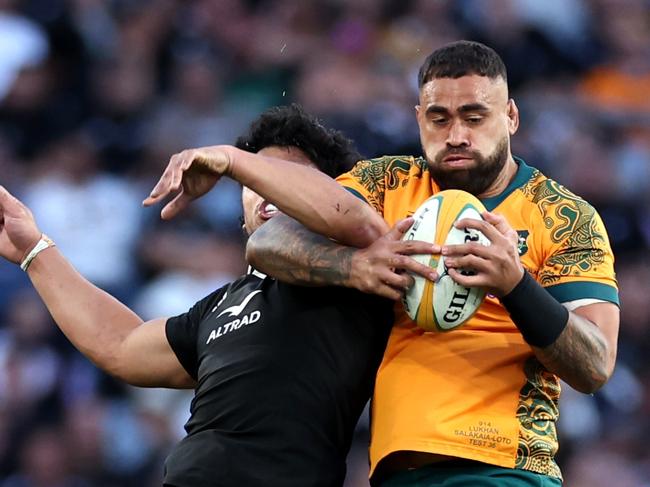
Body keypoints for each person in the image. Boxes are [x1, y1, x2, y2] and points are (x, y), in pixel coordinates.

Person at [239, 41, 620, 486]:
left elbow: (595, 365)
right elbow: (269, 240)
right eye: (439, 119)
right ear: (419, 117)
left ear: (511, 117)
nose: (456, 135)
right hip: (396, 471)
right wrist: (353, 266)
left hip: (505, 470)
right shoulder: (385, 185)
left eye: (475, 118)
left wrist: (515, 284)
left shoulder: (562, 215)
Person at [0, 104, 436, 487]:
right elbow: (122, 346)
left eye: (288, 178)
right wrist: (34, 251)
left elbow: (348, 214)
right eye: (254, 179)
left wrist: (232, 159)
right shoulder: (223, 301)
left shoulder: (364, 266)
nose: (267, 191)